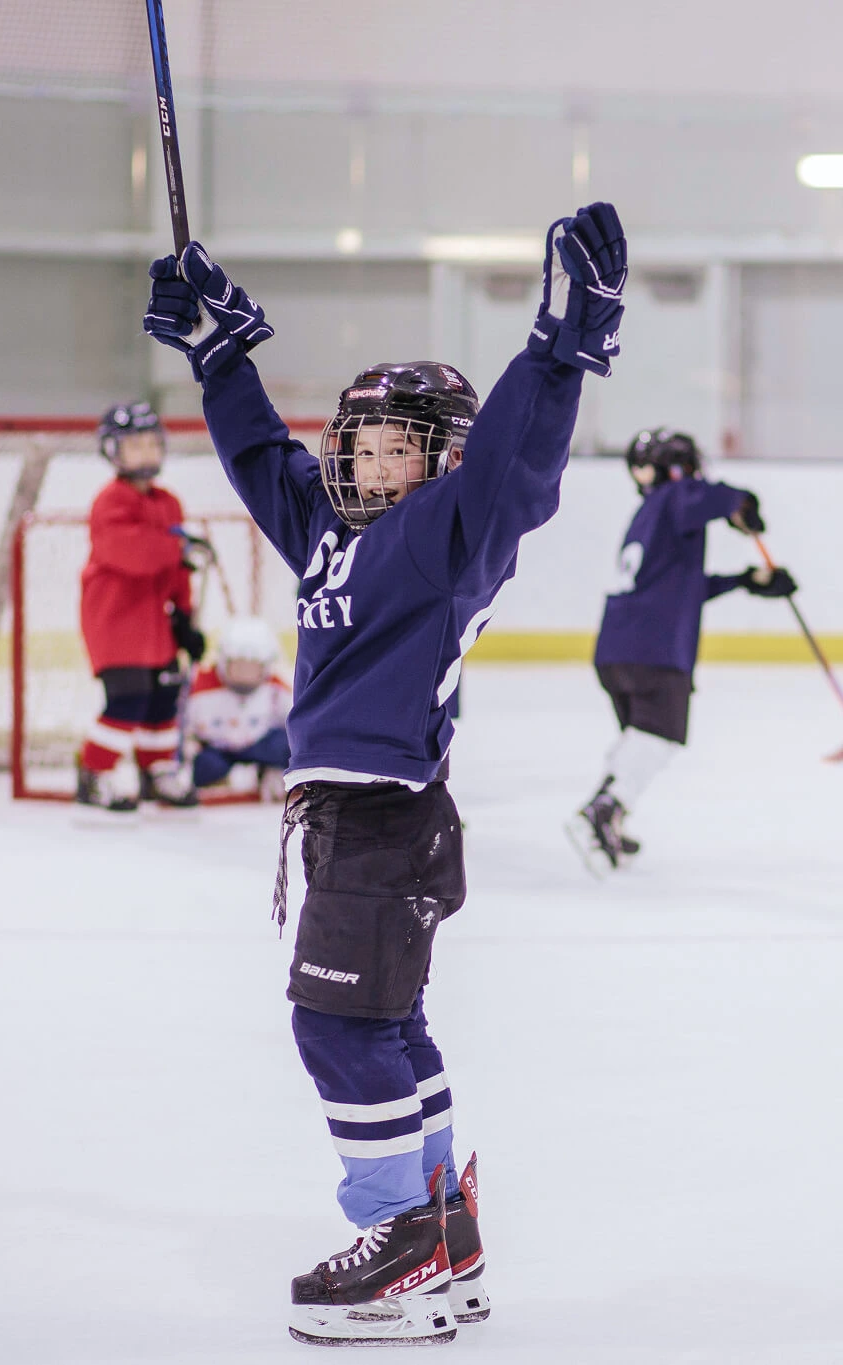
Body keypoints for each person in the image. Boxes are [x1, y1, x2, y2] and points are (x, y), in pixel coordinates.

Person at [141, 204, 627, 1345]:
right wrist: (222, 356)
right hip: (354, 827)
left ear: (443, 456)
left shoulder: (452, 533)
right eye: (357, 439)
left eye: (394, 440)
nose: (364, 456)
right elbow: (262, 455)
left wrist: (557, 347)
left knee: (335, 1029)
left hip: (388, 820)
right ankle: (442, 1238)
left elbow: (519, 461)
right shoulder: (327, 532)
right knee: (389, 1028)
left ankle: (396, 1242)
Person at [568, 427, 798, 874]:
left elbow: (681, 587)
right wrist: (742, 504)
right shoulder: (678, 498)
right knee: (659, 737)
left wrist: (747, 580)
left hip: (620, 648)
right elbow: (716, 497)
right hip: (654, 650)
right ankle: (602, 809)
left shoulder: (649, 513)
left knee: (640, 738)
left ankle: (610, 814)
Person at [76, 400, 206, 812]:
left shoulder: (169, 503)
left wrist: (183, 616)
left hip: (156, 625)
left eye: (153, 444)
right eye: (136, 445)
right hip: (115, 621)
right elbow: (130, 554)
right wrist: (177, 547)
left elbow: (176, 570)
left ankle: (158, 772)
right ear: (113, 452)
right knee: (129, 699)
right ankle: (94, 773)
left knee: (163, 697)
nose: (147, 453)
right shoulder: (110, 501)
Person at [185, 615, 292, 802]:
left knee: (286, 745)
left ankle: (270, 774)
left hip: (259, 746)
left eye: (253, 667)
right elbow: (185, 732)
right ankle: (220, 780)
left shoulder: (275, 688)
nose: (246, 675)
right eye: (239, 667)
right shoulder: (199, 689)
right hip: (218, 750)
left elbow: (296, 723)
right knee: (206, 765)